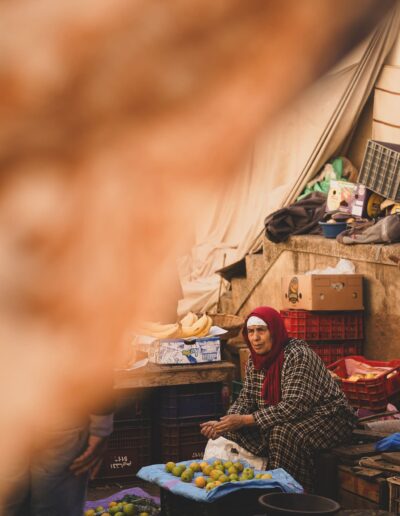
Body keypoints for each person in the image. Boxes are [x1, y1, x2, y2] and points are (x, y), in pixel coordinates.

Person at [200, 306, 357, 492]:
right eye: (250, 332)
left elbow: (294, 406)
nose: (255, 338)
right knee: (234, 432)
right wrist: (222, 424)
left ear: (274, 331)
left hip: (329, 417)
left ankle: (293, 493)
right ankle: (262, 487)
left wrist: (244, 420)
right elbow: (246, 399)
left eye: (261, 331)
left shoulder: (298, 355)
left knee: (281, 434)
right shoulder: (254, 360)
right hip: (284, 416)